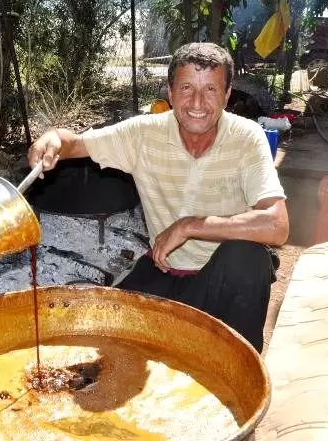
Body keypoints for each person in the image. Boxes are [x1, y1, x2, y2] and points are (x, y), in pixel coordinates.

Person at [28, 42, 289, 353]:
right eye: (187, 88)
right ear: (169, 90)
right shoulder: (144, 133)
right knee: (110, 342)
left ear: (228, 94)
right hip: (164, 271)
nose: (197, 102)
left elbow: (277, 225)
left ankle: (243, 379)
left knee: (249, 258)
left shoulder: (247, 137)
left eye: (211, 90)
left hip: (223, 282)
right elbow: (77, 144)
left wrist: (191, 225)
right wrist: (53, 137)